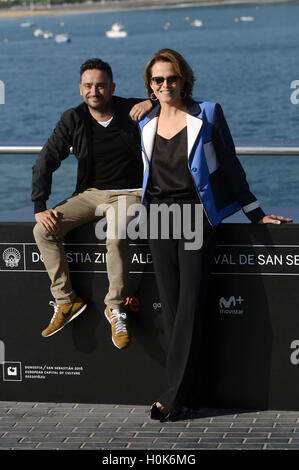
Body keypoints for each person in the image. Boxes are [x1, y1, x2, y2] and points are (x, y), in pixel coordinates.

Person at [137, 48, 292, 420]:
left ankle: (172, 398)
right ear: (150, 86)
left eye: (172, 77)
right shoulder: (144, 121)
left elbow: (229, 162)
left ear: (184, 78)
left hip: (195, 214)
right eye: (158, 80)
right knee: (173, 309)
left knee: (189, 305)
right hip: (158, 216)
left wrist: (254, 213)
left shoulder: (207, 113)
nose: (166, 85)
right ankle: (190, 395)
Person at [32, 58, 153, 349]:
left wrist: (152, 101)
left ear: (112, 86)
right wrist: (40, 205)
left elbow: (182, 102)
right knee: (44, 231)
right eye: (88, 85)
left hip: (131, 193)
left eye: (100, 85)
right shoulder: (72, 119)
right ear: (80, 88)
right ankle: (66, 300)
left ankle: (114, 307)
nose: (94, 91)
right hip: (91, 194)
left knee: (115, 233)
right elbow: (46, 160)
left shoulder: (132, 110)